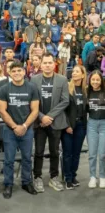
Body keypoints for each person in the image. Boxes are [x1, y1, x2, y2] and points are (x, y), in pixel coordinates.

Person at [0, 61, 40, 199]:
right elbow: (2, 111)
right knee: (9, 159)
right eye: (13, 71)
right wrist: (15, 126)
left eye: (19, 70)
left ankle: (26, 182)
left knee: (27, 158)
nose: (16, 73)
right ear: (9, 73)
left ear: (24, 72)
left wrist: (25, 126)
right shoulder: (4, 89)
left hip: (27, 129)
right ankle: (8, 184)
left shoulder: (32, 88)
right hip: (10, 130)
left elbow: (35, 110)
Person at [30, 53, 69, 192]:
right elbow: (31, 101)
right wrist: (41, 117)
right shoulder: (34, 80)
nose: (47, 65)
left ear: (54, 64)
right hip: (39, 123)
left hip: (55, 122)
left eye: (49, 62)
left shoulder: (62, 79)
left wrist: (49, 117)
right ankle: (38, 177)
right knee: (39, 151)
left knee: (54, 151)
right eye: (44, 63)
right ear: (40, 64)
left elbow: (65, 100)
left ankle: (54, 177)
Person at [61, 65, 87, 189]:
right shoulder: (67, 88)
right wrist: (67, 125)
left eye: (77, 72)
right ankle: (68, 178)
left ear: (83, 75)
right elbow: (62, 110)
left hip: (81, 125)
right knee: (68, 153)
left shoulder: (85, 90)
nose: (74, 73)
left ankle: (73, 175)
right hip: (69, 126)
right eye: (73, 72)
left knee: (76, 153)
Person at [86, 70, 105, 189]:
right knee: (92, 154)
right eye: (93, 79)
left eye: (97, 80)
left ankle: (102, 177)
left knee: (102, 154)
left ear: (101, 81)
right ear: (90, 80)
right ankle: (93, 177)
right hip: (92, 124)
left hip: (104, 124)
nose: (95, 82)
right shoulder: (87, 92)